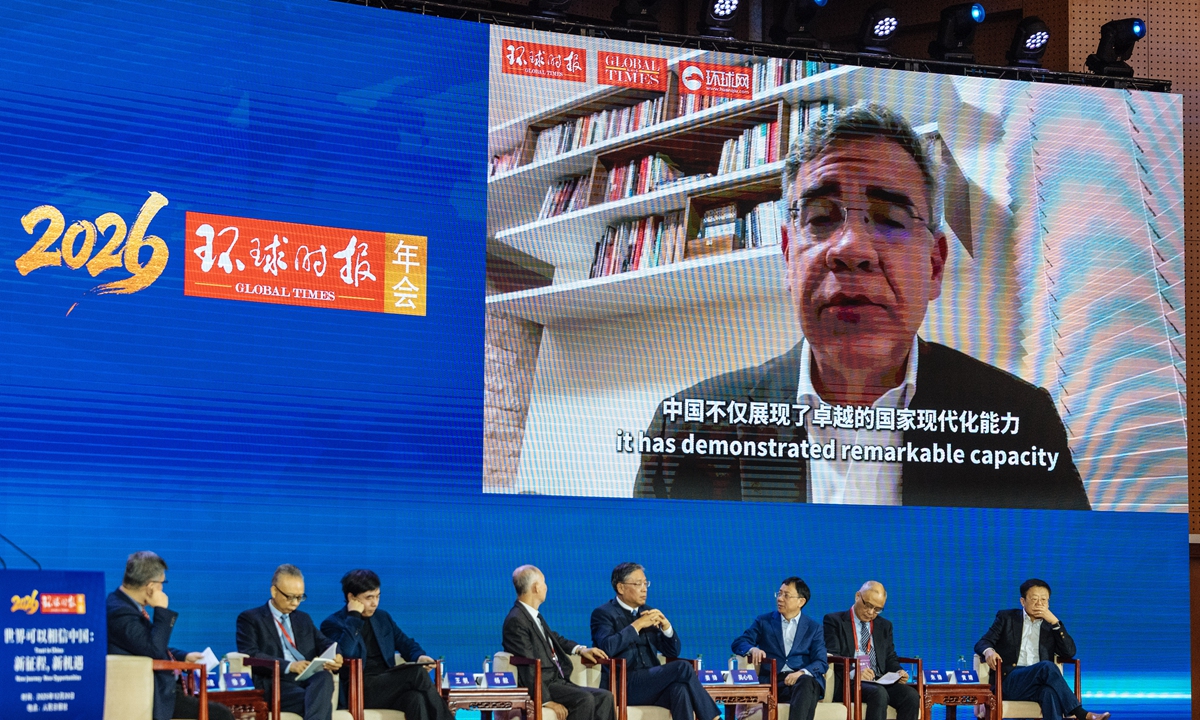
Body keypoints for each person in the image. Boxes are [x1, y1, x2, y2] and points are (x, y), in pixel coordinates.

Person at [633, 102, 1090, 511]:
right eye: (820, 218)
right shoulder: (688, 425)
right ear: (788, 255)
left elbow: (1072, 592)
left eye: (890, 220)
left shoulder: (1018, 419)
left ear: (934, 265)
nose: (851, 248)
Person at [106, 551, 235, 720]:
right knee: (222, 715)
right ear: (151, 586)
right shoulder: (119, 612)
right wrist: (161, 610)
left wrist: (183, 657)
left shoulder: (124, 606)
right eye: (162, 583)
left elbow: (144, 644)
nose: (162, 588)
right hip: (152, 696)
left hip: (160, 690)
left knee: (218, 709)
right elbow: (153, 649)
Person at [590, 563, 719, 720]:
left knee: (680, 689)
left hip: (651, 683)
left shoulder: (648, 611)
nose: (644, 589)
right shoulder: (603, 614)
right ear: (621, 588)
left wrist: (667, 628)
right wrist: (637, 625)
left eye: (646, 583)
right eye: (638, 584)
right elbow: (607, 647)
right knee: (682, 667)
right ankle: (714, 718)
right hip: (624, 684)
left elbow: (672, 652)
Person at [320, 570, 451, 720]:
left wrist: (419, 656)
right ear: (351, 597)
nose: (375, 603)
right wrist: (354, 617)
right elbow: (345, 653)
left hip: (387, 684)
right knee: (416, 673)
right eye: (369, 598)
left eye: (377, 596)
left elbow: (405, 643)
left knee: (415, 699)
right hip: (358, 688)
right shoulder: (332, 623)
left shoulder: (383, 618)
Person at [974, 579, 1108, 720]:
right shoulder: (1007, 618)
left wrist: (1056, 623)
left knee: (1049, 692)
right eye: (1034, 599)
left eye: (1044, 599)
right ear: (1023, 601)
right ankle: (1081, 713)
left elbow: (1069, 652)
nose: (1039, 603)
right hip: (1009, 682)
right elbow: (983, 642)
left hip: (1037, 684)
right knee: (1046, 667)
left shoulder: (1051, 626)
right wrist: (989, 650)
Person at [502, 565, 615, 720]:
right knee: (585, 699)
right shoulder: (516, 620)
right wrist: (546, 700)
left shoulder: (534, 616)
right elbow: (528, 665)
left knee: (605, 697)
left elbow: (555, 639)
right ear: (536, 587)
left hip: (557, 680)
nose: (546, 587)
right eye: (544, 583)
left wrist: (580, 649)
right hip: (544, 683)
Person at [236, 564, 343, 720]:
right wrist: (290, 666)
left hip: (306, 680)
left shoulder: (303, 619)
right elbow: (250, 654)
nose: (295, 602)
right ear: (274, 591)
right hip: (276, 683)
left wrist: (337, 655)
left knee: (324, 677)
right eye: (290, 596)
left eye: (300, 597)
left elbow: (325, 642)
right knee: (318, 701)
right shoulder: (250, 618)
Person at [731, 577, 826, 720]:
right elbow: (739, 642)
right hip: (774, 682)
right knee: (808, 693)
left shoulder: (814, 628)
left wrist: (800, 673)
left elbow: (821, 662)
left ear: (801, 601)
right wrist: (752, 649)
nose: (780, 598)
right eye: (779, 593)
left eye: (786, 595)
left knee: (806, 683)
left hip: (801, 681)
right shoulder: (764, 621)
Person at [822, 582, 918, 720]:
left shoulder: (884, 625)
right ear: (857, 596)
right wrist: (855, 672)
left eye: (877, 609)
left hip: (879, 680)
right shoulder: (834, 621)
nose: (871, 612)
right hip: (849, 682)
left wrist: (898, 671)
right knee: (878, 693)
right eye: (868, 605)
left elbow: (890, 657)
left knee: (911, 695)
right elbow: (832, 655)